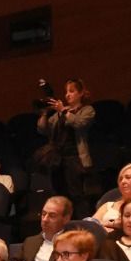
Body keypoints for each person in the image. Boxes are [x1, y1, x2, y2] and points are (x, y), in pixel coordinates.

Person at [37, 77, 96, 211]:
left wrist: (63, 110)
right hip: (58, 160)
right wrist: (44, 113)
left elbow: (79, 123)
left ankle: (82, 226)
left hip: (75, 159)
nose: (67, 94)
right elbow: (42, 129)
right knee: (59, 196)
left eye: (72, 91)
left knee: (77, 196)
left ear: (81, 93)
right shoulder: (59, 113)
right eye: (66, 92)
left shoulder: (87, 109)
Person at [16, 195, 72, 261]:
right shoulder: (30, 241)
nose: (45, 219)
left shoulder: (72, 245)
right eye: (43, 214)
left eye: (52, 216)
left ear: (66, 219)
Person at [92, 163, 131, 232]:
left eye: (128, 177)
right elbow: (89, 224)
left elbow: (126, 224)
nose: (123, 181)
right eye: (120, 179)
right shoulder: (108, 205)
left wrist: (104, 224)